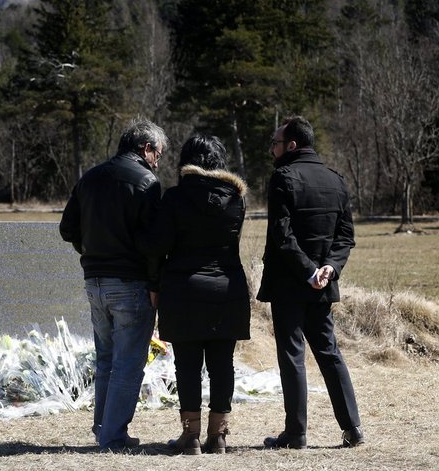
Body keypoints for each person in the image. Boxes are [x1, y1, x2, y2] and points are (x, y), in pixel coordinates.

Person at [59, 119, 167, 451]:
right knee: (128, 363)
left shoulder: (89, 178)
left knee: (105, 358)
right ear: (146, 148)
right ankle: (113, 436)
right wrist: (154, 284)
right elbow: (153, 243)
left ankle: (103, 428)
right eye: (158, 154)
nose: (158, 161)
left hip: (94, 281)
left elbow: (67, 230)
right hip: (131, 283)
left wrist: (89, 251)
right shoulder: (147, 182)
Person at [257, 116, 364, 450]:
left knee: (292, 355)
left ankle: (296, 433)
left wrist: (309, 271)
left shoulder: (282, 179)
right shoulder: (336, 180)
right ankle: (353, 427)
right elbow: (346, 236)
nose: (271, 149)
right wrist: (328, 268)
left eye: (275, 143)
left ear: (291, 145)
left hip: (290, 283)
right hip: (322, 283)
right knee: (329, 352)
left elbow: (281, 235)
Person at [151, 134, 251, 455]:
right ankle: (218, 435)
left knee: (187, 364)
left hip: (183, 289)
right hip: (227, 289)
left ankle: (190, 435)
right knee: (224, 364)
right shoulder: (237, 200)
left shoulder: (175, 198)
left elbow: (160, 246)